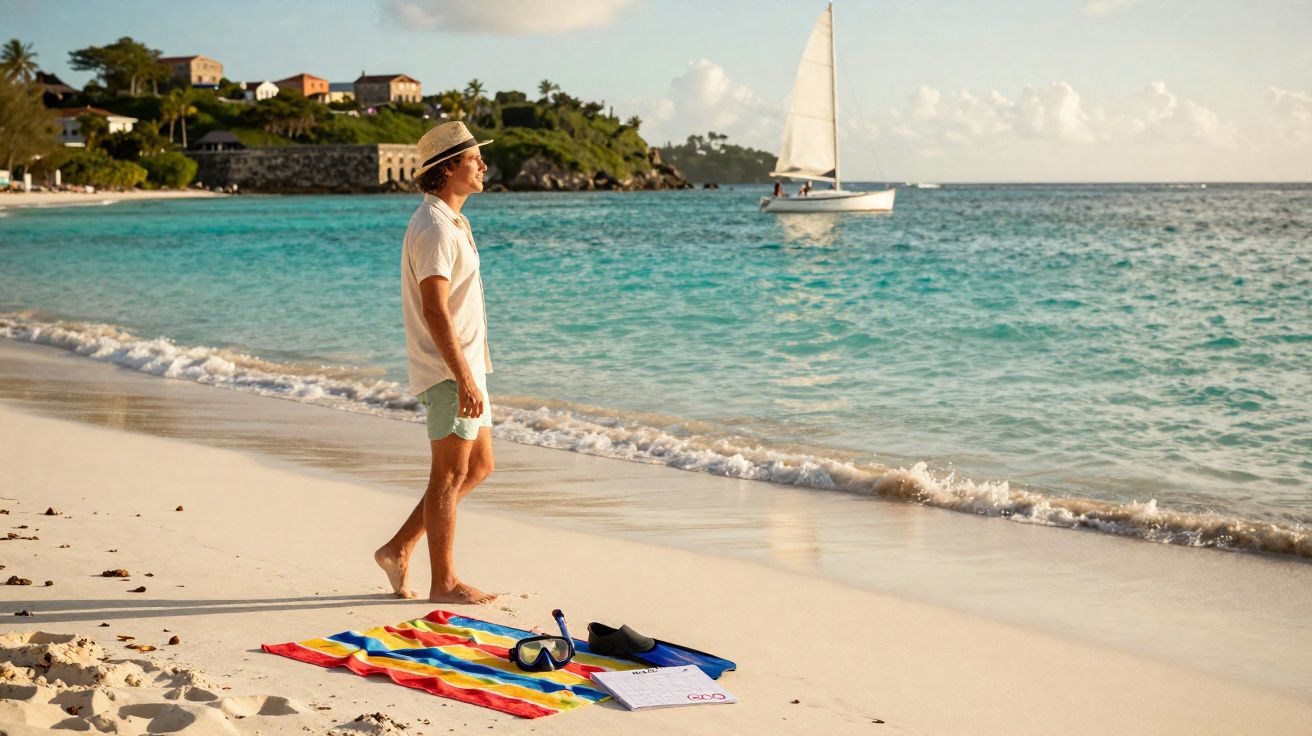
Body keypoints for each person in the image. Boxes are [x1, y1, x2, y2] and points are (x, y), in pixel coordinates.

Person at [375, 121, 497, 604]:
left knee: (479, 466)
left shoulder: (452, 222)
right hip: (449, 371)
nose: (483, 165)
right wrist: (463, 376)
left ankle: (399, 547)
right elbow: (434, 308)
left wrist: (473, 373)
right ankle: (442, 582)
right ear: (449, 168)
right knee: (448, 475)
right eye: (473, 159)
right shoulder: (433, 227)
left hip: (465, 368)